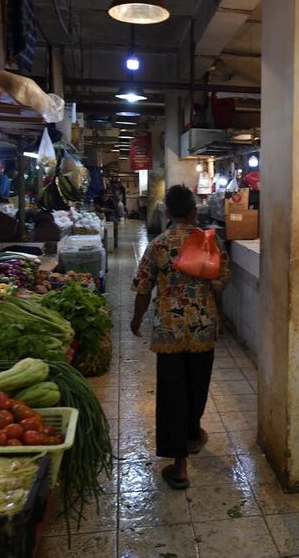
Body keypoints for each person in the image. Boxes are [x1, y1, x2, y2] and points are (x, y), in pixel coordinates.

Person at [130, 185, 231, 489]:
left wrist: (136, 320)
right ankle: (192, 435)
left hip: (169, 331)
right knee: (197, 386)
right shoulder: (210, 243)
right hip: (202, 328)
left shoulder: (158, 245)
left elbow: (144, 288)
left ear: (169, 213)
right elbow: (222, 283)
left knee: (173, 393)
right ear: (193, 211)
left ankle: (180, 465)